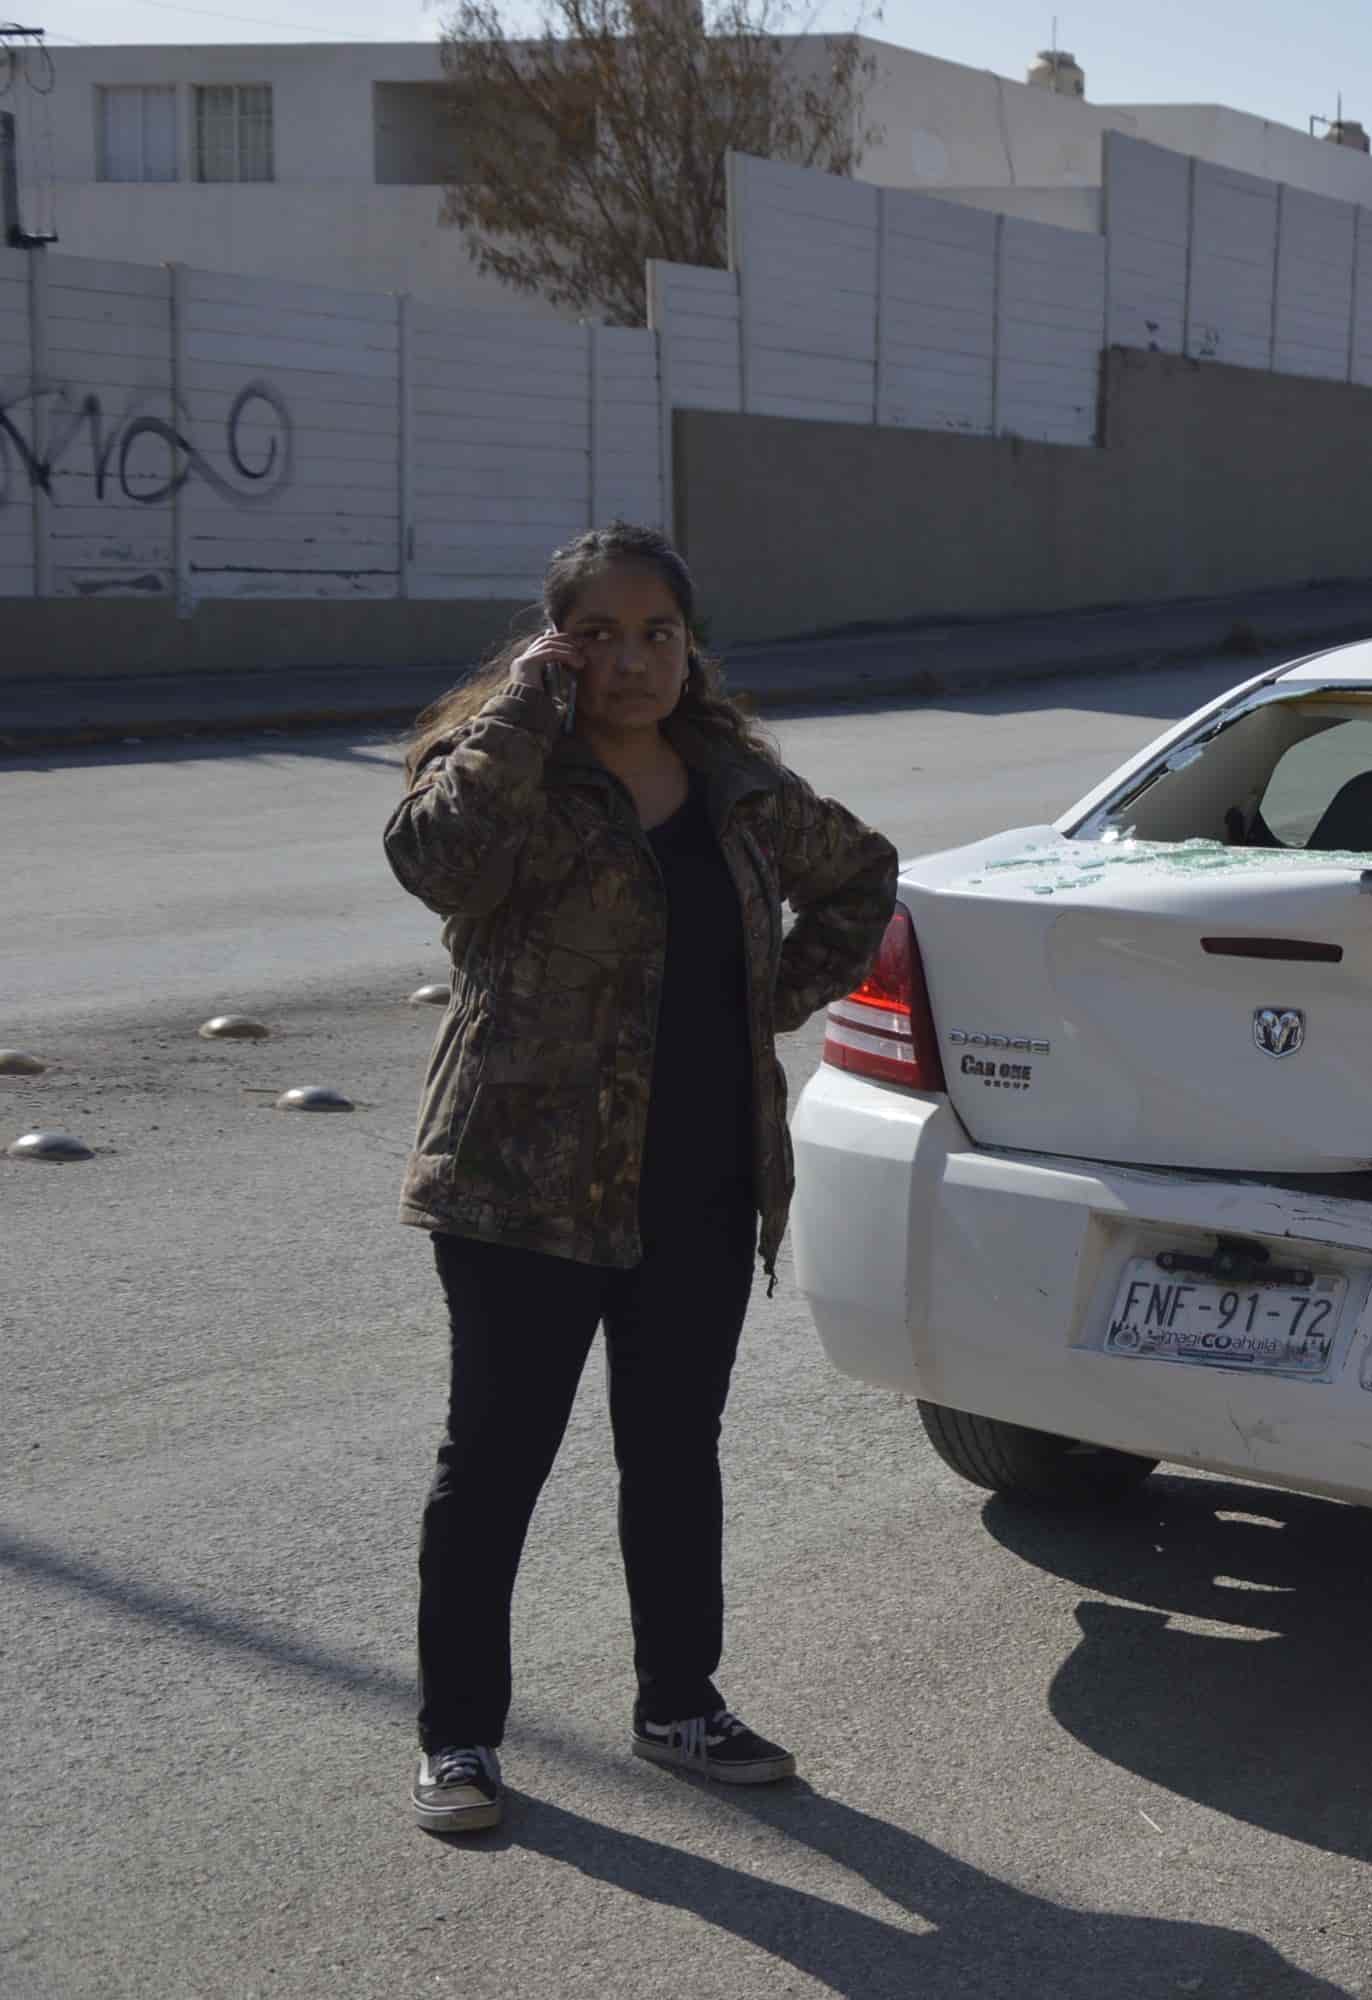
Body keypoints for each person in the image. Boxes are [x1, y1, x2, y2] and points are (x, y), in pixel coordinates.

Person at [385, 523, 898, 1836]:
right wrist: (518, 709)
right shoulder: (508, 773)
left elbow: (862, 879)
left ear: (691, 642)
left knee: (674, 1454)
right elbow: (431, 861)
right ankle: (459, 1741)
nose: (631, 661)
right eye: (597, 634)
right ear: (552, 643)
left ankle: (680, 1705)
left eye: (656, 632)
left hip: (701, 1185)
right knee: (494, 1462)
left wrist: (766, 1002)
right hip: (522, 1187)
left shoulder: (735, 784)